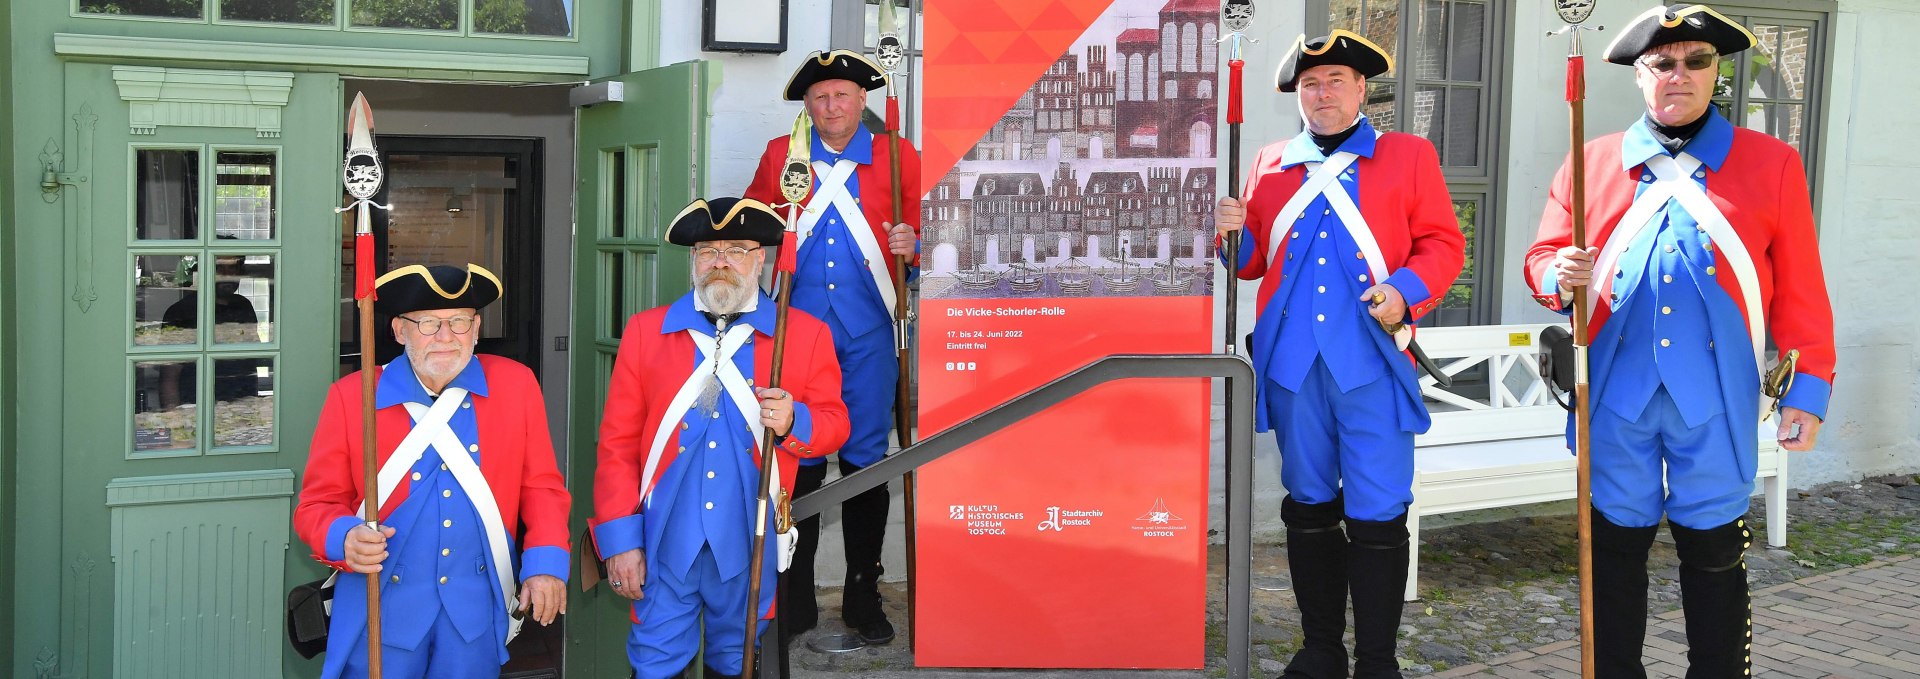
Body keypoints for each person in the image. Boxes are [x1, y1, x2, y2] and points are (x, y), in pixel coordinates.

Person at [1526, 6, 1835, 676]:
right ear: (1641, 74)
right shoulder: (1593, 160)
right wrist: (1558, 271)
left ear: (1716, 71)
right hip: (1613, 394)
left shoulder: (1771, 164)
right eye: (1663, 63)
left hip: (1716, 400)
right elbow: (1543, 258)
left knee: (1714, 554)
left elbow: (1802, 290)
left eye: (1696, 61)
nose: (1680, 75)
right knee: (1613, 551)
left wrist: (1806, 393)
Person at [1213, 30, 1465, 678]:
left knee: (1379, 512)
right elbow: (1252, 263)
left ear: (1361, 90)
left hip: (1372, 366)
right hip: (1294, 370)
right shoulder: (1271, 161)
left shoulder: (1407, 155)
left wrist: (1404, 291)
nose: (1322, 93)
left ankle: (1377, 658)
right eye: (1310, 84)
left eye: (1335, 81)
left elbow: (1442, 245)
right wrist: (1228, 236)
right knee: (1309, 506)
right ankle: (1320, 646)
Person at [591, 197, 851, 678]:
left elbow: (836, 424)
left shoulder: (805, 335)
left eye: (736, 249)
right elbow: (617, 447)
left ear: (760, 259)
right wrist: (620, 541)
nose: (721, 262)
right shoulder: (647, 332)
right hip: (665, 541)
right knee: (653, 662)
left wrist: (796, 422)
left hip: (751, 540)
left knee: (738, 663)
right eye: (708, 250)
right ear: (694, 260)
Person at [293, 263, 571, 679]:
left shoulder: (516, 384)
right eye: (427, 323)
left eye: (459, 322)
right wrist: (343, 537)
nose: (446, 337)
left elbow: (542, 488)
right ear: (399, 331)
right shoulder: (352, 397)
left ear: (476, 327)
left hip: (474, 614)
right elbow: (317, 505)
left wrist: (546, 562)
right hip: (380, 611)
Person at [743, 48, 921, 645]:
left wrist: (911, 241)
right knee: (802, 454)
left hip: (870, 329)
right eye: (820, 98)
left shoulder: (897, 157)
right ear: (808, 106)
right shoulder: (781, 156)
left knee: (867, 457)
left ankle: (862, 593)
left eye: (842, 95)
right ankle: (793, 595)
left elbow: (930, 232)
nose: (831, 106)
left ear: (862, 100)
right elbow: (749, 223)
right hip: (797, 333)